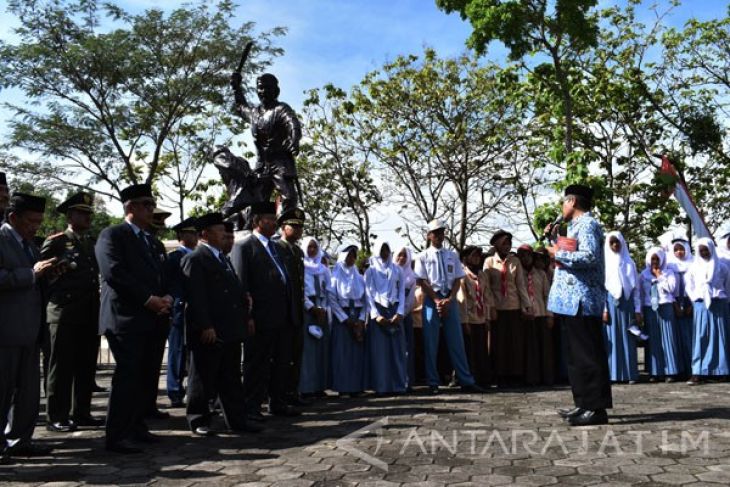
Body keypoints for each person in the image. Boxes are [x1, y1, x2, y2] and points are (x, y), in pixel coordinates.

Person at [95, 184, 172, 454]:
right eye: (146, 205)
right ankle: (117, 435)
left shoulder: (151, 240)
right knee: (127, 376)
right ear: (131, 207)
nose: (152, 210)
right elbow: (114, 272)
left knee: (144, 376)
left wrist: (166, 297)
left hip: (151, 317)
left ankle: (137, 427)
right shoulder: (112, 235)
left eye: (152, 204)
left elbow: (162, 274)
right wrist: (147, 299)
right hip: (125, 318)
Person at [181, 212, 261, 436]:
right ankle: (198, 419)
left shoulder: (222, 258)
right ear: (205, 234)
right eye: (219, 230)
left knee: (231, 378)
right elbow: (196, 297)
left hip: (230, 328)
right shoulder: (196, 258)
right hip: (210, 329)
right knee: (203, 376)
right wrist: (205, 325)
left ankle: (236, 420)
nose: (224, 233)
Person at [546, 184, 611, 427]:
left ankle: (597, 409)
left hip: (583, 299)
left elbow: (589, 257)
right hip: (570, 302)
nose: (562, 207)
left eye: (564, 202)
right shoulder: (574, 227)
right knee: (575, 357)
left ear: (572, 202)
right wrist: (554, 240)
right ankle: (583, 403)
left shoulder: (588, 224)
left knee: (588, 356)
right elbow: (571, 251)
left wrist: (556, 253)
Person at [230, 201, 300, 421]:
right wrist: (247, 316)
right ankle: (251, 406)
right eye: (269, 219)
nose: (273, 223)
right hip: (260, 318)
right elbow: (242, 285)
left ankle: (277, 402)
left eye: (274, 219)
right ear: (257, 221)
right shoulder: (245, 246)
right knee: (257, 364)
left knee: (281, 362)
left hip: (283, 316)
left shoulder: (277, 247)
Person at [42, 192, 104, 433]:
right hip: (64, 313)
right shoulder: (56, 242)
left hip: (88, 312)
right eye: (82, 213)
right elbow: (45, 277)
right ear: (70, 216)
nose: (87, 217)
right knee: (62, 366)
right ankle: (56, 416)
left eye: (89, 213)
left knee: (86, 366)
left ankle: (82, 412)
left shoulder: (90, 242)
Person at [0, 193, 55, 459]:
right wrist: (32, 274)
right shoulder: (2, 238)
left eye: (38, 221)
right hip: (6, 331)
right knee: (2, 391)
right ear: (13, 217)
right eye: (31, 221)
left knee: (28, 393)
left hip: (31, 330)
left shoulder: (30, 244)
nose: (35, 226)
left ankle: (21, 441)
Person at [414, 220, 482, 395]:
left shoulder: (451, 255)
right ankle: (433, 382)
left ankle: (465, 380)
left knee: (456, 341)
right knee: (431, 342)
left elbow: (458, 279)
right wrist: (436, 300)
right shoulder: (422, 256)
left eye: (441, 232)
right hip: (431, 299)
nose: (439, 236)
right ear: (429, 235)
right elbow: (422, 281)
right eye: (435, 233)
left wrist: (450, 298)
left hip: (449, 300)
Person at [230, 72, 302, 213]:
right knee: (256, 202)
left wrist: (294, 139)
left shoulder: (281, 109)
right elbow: (240, 107)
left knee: (289, 198)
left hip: (280, 163)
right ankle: (258, 231)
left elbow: (293, 123)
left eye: (267, 88)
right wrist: (236, 88)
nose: (263, 91)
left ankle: (286, 229)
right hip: (262, 166)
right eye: (260, 88)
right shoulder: (254, 113)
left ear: (276, 91)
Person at [483, 230, 532, 386]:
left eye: (509, 243)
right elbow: (487, 288)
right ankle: (500, 375)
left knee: (515, 343)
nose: (507, 246)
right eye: (504, 243)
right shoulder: (489, 262)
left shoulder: (514, 261)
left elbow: (521, 285)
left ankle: (515, 375)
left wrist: (527, 306)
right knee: (499, 343)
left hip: (514, 306)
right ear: (496, 244)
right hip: (498, 308)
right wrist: (491, 307)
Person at [275, 207, 309, 407]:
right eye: (293, 226)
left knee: (295, 356)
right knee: (283, 357)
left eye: (300, 227)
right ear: (283, 227)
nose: (298, 230)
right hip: (284, 312)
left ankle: (292, 392)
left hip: (296, 311)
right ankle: (281, 395)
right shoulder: (277, 248)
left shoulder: (297, 250)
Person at [685, 238, 730, 385]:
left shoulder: (722, 267)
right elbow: (689, 286)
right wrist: (695, 299)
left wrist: (723, 300)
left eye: (706, 250)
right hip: (700, 304)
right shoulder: (694, 268)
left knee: (719, 337)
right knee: (701, 336)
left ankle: (721, 371)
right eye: (701, 250)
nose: (704, 252)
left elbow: (727, 286)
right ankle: (698, 371)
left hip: (718, 303)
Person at [163, 217, 198, 408]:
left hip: (195, 309)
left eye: (195, 232)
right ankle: (175, 391)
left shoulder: (199, 255)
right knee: (177, 351)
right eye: (190, 233)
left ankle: (190, 388)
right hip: (179, 309)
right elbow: (170, 283)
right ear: (180, 236)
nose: (194, 236)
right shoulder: (175, 257)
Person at [365, 240, 408, 394]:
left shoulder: (397, 270)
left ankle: (398, 385)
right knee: (380, 352)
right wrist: (375, 315)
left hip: (394, 309)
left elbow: (402, 291)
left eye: (386, 250)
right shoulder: (370, 271)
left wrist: (400, 312)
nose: (384, 253)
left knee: (397, 350)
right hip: (378, 311)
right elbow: (368, 294)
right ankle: (381, 386)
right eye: (381, 250)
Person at [602, 231, 641, 384]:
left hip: (627, 304)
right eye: (612, 242)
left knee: (628, 338)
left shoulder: (630, 263)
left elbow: (636, 288)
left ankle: (630, 374)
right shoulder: (605, 264)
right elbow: (602, 289)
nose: (615, 245)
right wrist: (604, 310)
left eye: (617, 242)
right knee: (613, 338)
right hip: (612, 304)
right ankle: (614, 374)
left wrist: (637, 309)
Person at [329, 244, 368, 396]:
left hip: (357, 315)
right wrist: (344, 319)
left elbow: (366, 299)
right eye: (348, 256)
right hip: (343, 318)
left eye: (353, 256)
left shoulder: (359, 276)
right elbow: (332, 298)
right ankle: (343, 386)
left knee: (357, 354)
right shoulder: (335, 276)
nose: (351, 259)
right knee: (342, 353)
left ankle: (357, 386)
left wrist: (361, 319)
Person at [639, 247, 683, 382]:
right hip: (650, 309)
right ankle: (655, 371)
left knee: (668, 340)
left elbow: (671, 288)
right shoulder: (643, 275)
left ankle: (671, 371)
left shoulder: (668, 273)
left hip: (665, 307)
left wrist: (659, 276)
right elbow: (640, 294)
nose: (655, 261)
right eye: (652, 259)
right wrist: (639, 311)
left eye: (657, 259)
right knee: (654, 341)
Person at [517, 244, 555, 386]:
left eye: (527, 255)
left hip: (541, 313)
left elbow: (547, 295)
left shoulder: (541, 274)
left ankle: (546, 377)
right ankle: (530, 378)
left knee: (544, 348)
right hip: (525, 315)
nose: (525, 258)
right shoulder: (518, 273)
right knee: (529, 349)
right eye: (522, 256)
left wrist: (550, 315)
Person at [299, 236, 331, 398]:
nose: (312, 250)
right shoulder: (301, 267)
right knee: (307, 350)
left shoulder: (323, 269)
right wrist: (312, 308)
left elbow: (328, 290)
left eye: (314, 247)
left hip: (322, 309)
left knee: (321, 349)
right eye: (309, 247)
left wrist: (323, 309)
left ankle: (319, 385)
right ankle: (306, 387)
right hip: (308, 309)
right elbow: (300, 291)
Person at [457, 245, 493, 387]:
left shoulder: (482, 275)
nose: (477, 258)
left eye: (479, 256)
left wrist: (488, 317)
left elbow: (487, 296)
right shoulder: (462, 275)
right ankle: (470, 378)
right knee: (470, 350)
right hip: (470, 317)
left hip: (481, 317)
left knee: (482, 349)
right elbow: (462, 299)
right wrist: (465, 321)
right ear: (466, 258)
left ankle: (483, 378)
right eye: (473, 255)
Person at [667, 238, 695, 374]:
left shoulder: (694, 263)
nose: (679, 252)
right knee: (677, 337)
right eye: (676, 249)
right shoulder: (669, 265)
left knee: (692, 336)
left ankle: (693, 368)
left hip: (691, 301)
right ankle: (681, 369)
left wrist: (693, 304)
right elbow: (667, 289)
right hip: (675, 302)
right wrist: (675, 305)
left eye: (681, 249)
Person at [395, 246, 417, 389]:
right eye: (399, 255)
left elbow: (410, 299)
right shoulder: (390, 273)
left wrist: (402, 313)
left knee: (406, 348)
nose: (401, 258)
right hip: (389, 315)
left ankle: (406, 379)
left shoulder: (412, 277)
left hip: (405, 316)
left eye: (405, 256)